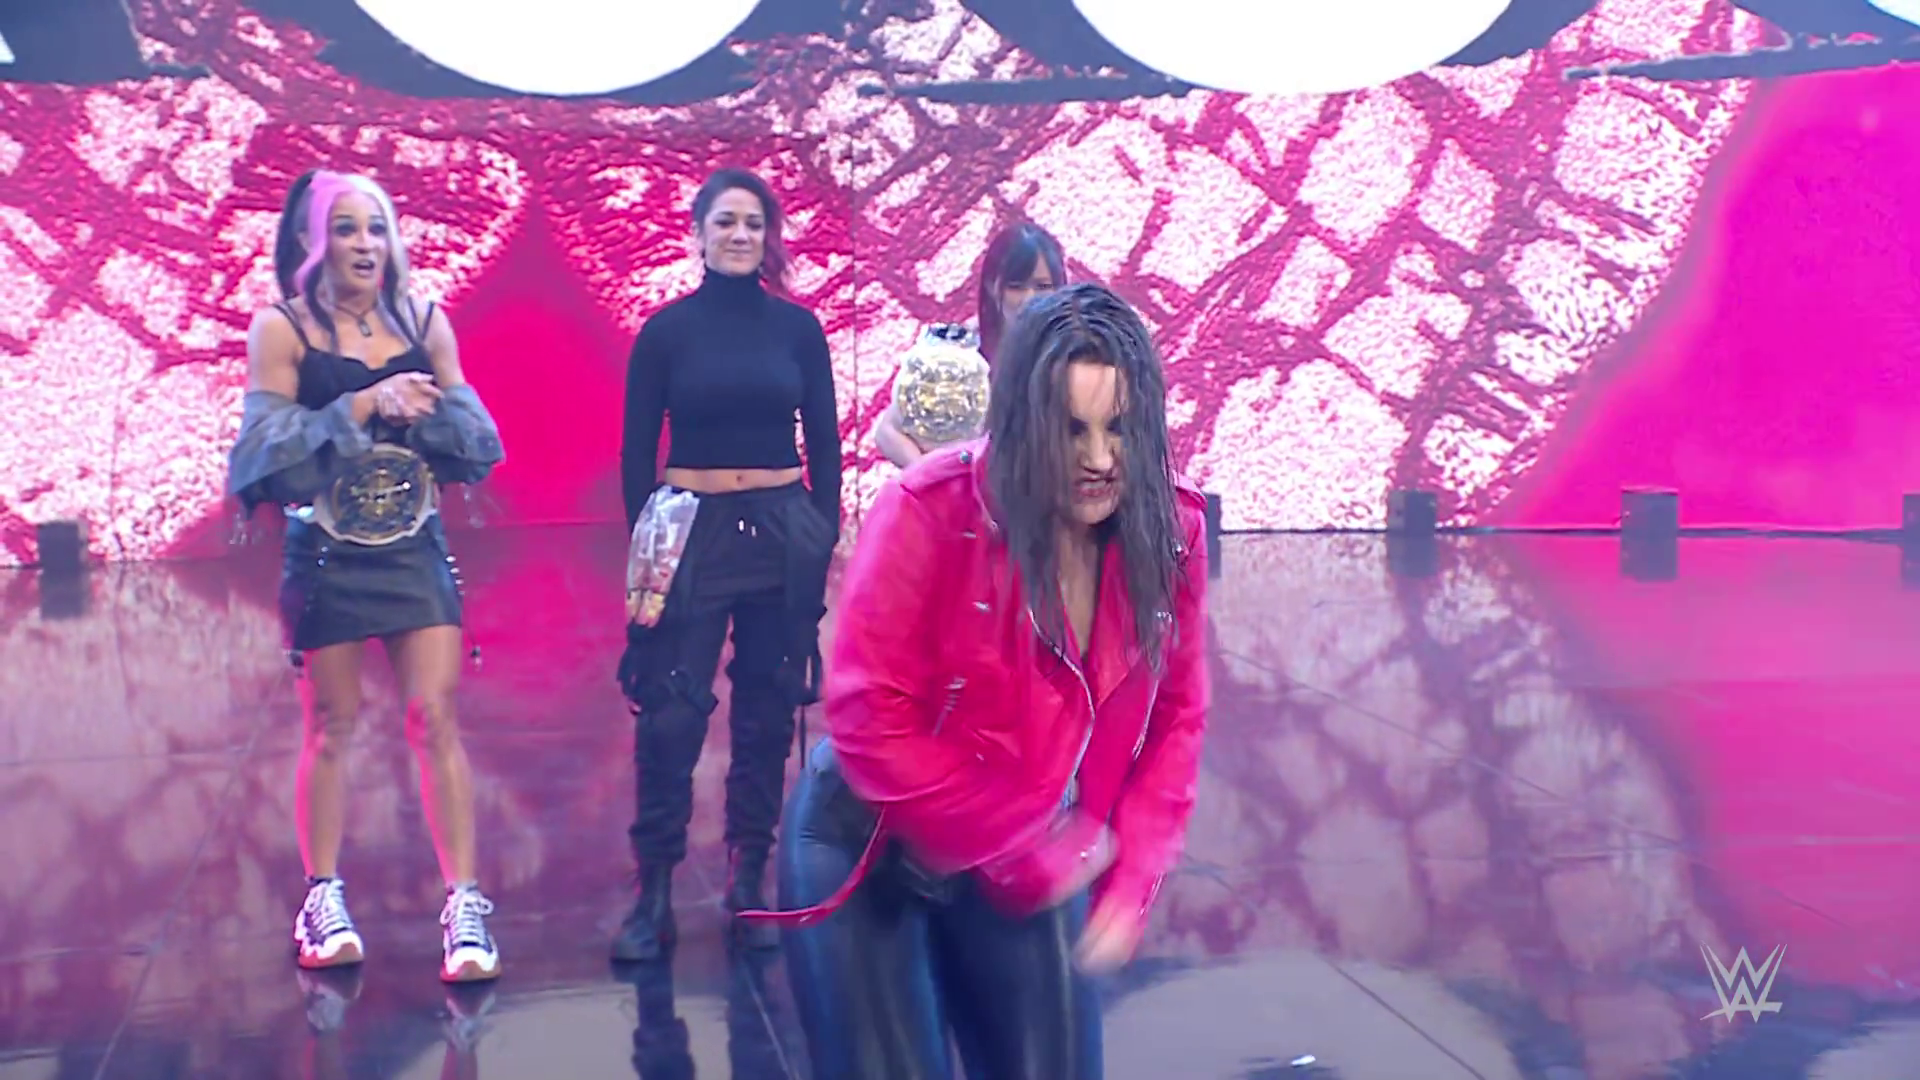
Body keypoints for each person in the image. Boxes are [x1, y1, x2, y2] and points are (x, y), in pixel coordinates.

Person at [746, 282, 1212, 1079]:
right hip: (870, 844)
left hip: (1027, 851)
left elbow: (1178, 716)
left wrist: (1130, 875)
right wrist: (1035, 843)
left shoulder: (1172, 534)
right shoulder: (928, 509)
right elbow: (867, 715)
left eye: (1119, 429)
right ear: (1025, 422)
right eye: (1071, 430)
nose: (1100, 460)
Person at [228, 169, 506, 983]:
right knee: (333, 725)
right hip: (328, 553)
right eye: (347, 228)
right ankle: (322, 898)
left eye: (377, 228)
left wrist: (435, 408)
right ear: (315, 240)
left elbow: (480, 441)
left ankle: (464, 905)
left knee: (436, 717)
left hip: (414, 546)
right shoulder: (282, 328)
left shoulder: (422, 319)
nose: (364, 245)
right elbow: (260, 454)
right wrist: (362, 404)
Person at [613, 167, 842, 961]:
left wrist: (820, 529)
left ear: (767, 236)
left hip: (780, 530)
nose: (740, 234)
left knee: (767, 710)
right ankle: (653, 893)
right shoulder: (665, 332)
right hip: (691, 529)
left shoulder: (799, 330)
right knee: (671, 714)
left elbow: (825, 443)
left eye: (753, 222)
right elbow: (635, 452)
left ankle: (749, 878)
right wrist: (648, 541)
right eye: (725, 222)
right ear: (699, 234)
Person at [873, 221, 1066, 468]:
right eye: (1016, 287)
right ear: (992, 286)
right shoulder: (958, 356)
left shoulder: (1073, 355)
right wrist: (938, 479)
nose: (1029, 299)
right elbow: (888, 432)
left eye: (1042, 287)